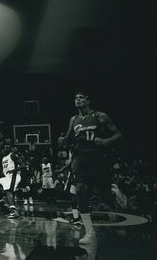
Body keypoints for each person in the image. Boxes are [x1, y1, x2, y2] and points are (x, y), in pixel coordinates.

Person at [58, 91, 122, 245]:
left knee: (103, 195)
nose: (78, 99)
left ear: (88, 100)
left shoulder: (100, 116)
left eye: (81, 97)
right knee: (80, 190)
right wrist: (62, 140)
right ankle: (90, 232)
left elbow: (118, 134)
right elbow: (68, 138)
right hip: (80, 159)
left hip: (97, 158)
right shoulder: (73, 119)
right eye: (76, 98)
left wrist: (106, 140)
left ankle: (113, 190)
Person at [0, 145, 23, 219]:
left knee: (8, 191)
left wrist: (12, 170)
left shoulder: (12, 155)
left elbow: (23, 165)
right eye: (3, 149)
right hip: (7, 177)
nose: (4, 150)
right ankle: (4, 207)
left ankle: (14, 212)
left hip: (14, 176)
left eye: (6, 148)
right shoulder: (3, 158)